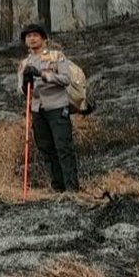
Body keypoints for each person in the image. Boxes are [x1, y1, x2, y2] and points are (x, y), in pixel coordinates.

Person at [17, 23, 80, 193]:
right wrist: (25, 82)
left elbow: (66, 79)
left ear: (44, 38)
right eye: (28, 36)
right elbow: (22, 91)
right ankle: (57, 186)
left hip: (58, 107)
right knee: (46, 148)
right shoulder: (24, 64)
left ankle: (72, 188)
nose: (32, 38)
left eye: (35, 35)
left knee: (63, 147)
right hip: (38, 110)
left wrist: (43, 75)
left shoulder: (56, 56)